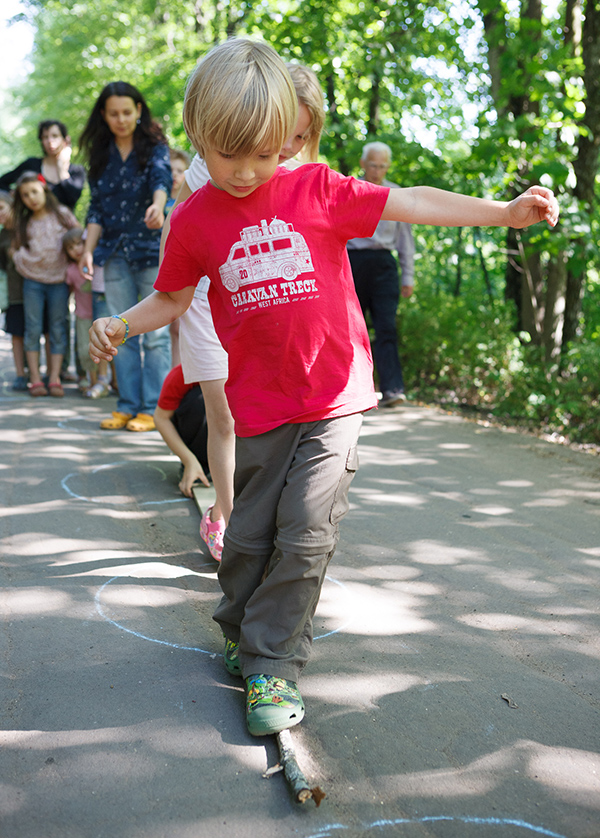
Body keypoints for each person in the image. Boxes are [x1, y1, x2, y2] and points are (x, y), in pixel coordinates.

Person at [89, 38, 559, 738]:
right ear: (196, 138)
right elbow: (172, 297)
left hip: (335, 395)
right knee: (247, 537)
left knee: (306, 534)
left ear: (290, 137)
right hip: (262, 403)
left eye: (265, 152)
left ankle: (273, 660)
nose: (247, 172)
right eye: (228, 155)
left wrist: (503, 211)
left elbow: (409, 201)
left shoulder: (317, 189)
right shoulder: (195, 219)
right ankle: (240, 623)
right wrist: (121, 325)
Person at [159, 61, 325, 562]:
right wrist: (171, 295)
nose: (289, 147)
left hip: (261, 304)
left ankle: (275, 515)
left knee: (267, 416)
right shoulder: (223, 155)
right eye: (284, 132)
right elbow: (180, 218)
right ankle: (225, 516)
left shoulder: (299, 173)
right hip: (208, 297)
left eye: (300, 136)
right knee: (223, 417)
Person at [78, 80, 172, 431]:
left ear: (138, 112)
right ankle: (127, 405)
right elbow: (96, 210)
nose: (121, 119)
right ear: (103, 115)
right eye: (113, 113)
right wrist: (87, 251)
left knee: (156, 335)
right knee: (119, 331)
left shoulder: (154, 146)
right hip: (113, 252)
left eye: (127, 113)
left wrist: (158, 207)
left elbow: (161, 181)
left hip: (150, 250)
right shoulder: (99, 156)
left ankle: (154, 409)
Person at [348, 141, 415, 407]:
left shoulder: (396, 193)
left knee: (386, 327)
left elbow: (405, 239)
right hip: (352, 261)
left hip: (385, 265)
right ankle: (355, 390)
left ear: (388, 166)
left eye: (382, 165)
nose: (377, 170)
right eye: (373, 164)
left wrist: (408, 276)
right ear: (363, 164)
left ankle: (392, 389)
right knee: (352, 329)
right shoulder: (349, 189)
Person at [12, 172, 79, 396]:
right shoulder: (24, 221)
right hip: (32, 281)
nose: (31, 198)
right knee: (32, 328)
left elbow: (78, 235)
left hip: (59, 281)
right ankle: (34, 378)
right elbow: (16, 247)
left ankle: (54, 378)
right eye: (25, 195)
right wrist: (19, 257)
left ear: (44, 190)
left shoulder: (62, 214)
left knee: (58, 327)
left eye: (34, 192)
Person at [0, 120, 86, 211]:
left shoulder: (76, 170)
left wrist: (62, 169)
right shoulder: (31, 164)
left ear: (65, 140)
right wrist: (17, 196)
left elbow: (72, 199)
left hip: (65, 222)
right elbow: (2, 182)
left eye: (55, 136)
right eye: (45, 137)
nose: (50, 141)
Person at [154, 364, 210, 500]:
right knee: (201, 399)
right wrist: (189, 460)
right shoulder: (185, 371)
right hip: (200, 444)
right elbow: (161, 418)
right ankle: (200, 464)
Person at [0, 191, 27, 390]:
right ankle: (20, 374)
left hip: (35, 289)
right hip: (13, 294)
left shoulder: (26, 227)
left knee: (41, 330)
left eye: (1, 208)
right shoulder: (2, 236)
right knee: (17, 333)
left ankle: (49, 374)